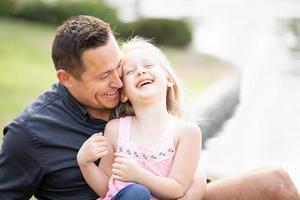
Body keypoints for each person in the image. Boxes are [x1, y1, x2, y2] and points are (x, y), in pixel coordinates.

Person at [0, 14, 299, 200]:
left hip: (180, 193)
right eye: (105, 76)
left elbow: (181, 140)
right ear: (66, 78)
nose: (118, 82)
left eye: (118, 67)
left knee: (275, 181)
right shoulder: (29, 134)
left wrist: (192, 186)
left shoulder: (130, 92)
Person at [77, 37, 203, 200]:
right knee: (135, 193)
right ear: (123, 95)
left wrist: (138, 175)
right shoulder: (115, 129)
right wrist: (84, 163)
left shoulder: (186, 132)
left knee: (138, 192)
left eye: (149, 65)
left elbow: (177, 188)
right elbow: (106, 189)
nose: (141, 71)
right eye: (130, 71)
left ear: (168, 79)